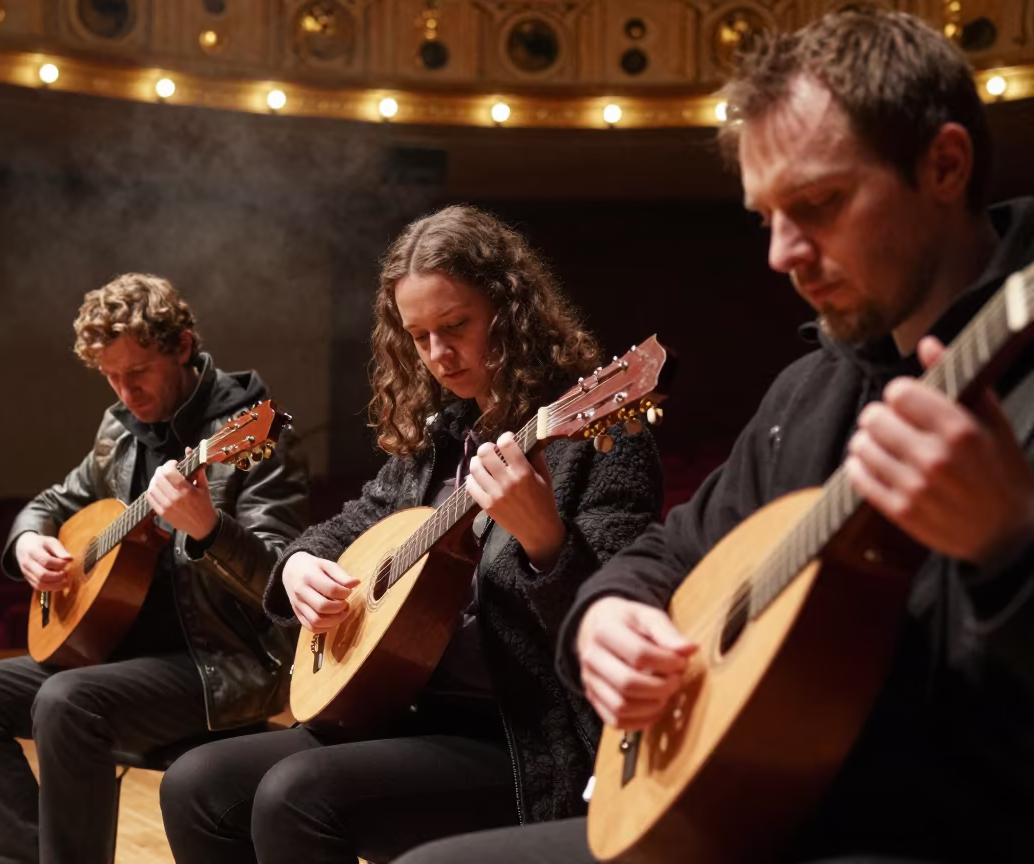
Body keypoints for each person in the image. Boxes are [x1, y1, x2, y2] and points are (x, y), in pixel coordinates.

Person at [389, 8, 1034, 864]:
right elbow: (665, 555)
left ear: (944, 165)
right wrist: (606, 617)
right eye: (766, 215)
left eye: (817, 203)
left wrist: (1009, 550)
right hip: (757, 807)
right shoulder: (809, 391)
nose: (780, 253)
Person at [158, 204, 663, 864]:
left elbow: (618, 615)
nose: (437, 355)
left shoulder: (597, 436)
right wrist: (296, 568)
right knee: (196, 784)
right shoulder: (439, 436)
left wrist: (548, 545)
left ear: (511, 311)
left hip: (520, 738)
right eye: (418, 336)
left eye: (455, 327)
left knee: (297, 796)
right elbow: (351, 525)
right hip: (402, 708)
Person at [0, 273, 309, 864]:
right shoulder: (119, 430)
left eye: (137, 374)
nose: (124, 393)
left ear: (182, 347)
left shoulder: (249, 431)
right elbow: (53, 502)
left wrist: (207, 528)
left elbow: (275, 585)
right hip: (118, 656)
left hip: (218, 666)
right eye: (110, 377)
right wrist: (29, 538)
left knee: (66, 700)